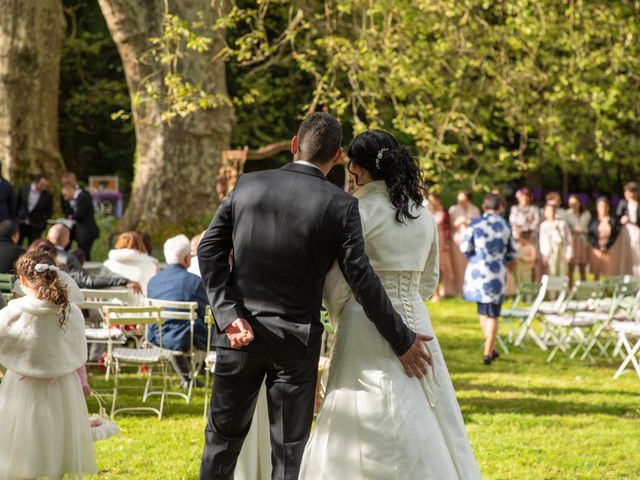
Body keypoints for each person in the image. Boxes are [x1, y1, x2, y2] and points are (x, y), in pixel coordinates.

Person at [198, 113, 432, 480]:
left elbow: (208, 251)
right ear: (338, 155)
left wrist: (229, 315)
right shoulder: (341, 205)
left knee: (222, 441)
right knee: (289, 452)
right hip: (296, 340)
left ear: (294, 144)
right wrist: (401, 339)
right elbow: (362, 279)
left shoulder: (247, 185)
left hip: (238, 335)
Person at [300, 130, 481, 479]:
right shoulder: (422, 214)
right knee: (425, 408)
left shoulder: (355, 211)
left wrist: (341, 311)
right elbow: (430, 280)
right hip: (416, 318)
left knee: (362, 405)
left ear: (358, 168)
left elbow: (339, 280)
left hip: (362, 318)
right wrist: (407, 296)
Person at [0, 250, 97, 479]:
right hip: (63, 387)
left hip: (22, 386)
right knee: (58, 441)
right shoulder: (71, 312)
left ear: (23, 280)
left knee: (22, 443)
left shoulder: (12, 312)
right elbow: (75, 348)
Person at [147, 234, 209, 388]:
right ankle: (197, 375)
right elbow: (207, 311)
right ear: (187, 258)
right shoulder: (194, 282)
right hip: (187, 338)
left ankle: (188, 379)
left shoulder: (153, 282)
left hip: (158, 337)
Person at [461, 193, 516, 365]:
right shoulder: (505, 225)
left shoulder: (476, 223)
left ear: (484, 207)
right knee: (493, 312)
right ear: (500, 207)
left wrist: (475, 257)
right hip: (496, 273)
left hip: (477, 272)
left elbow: (465, 247)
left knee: (483, 309)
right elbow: (512, 253)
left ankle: (488, 350)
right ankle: (489, 350)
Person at [47, 223, 142, 292]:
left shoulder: (37, 253)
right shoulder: (67, 259)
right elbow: (88, 281)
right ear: (67, 240)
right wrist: (123, 281)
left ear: (47, 237)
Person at [61, 173, 99, 260]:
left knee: (84, 253)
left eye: (66, 195)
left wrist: (71, 217)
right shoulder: (77, 197)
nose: (65, 198)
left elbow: (80, 214)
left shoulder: (83, 196)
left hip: (86, 231)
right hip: (79, 230)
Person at [449, 190, 480, 296]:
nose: (460, 202)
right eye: (459, 200)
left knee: (470, 265)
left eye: (463, 200)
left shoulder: (475, 209)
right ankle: (459, 290)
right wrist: (458, 222)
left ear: (468, 200)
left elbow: (478, 226)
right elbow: (449, 226)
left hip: (471, 241)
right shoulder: (453, 209)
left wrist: (469, 222)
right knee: (458, 265)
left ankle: (472, 289)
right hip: (457, 240)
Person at [426, 192, 456, 299]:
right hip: (431, 241)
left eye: (432, 199)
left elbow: (448, 228)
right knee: (433, 266)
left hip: (442, 240)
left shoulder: (444, 212)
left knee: (444, 267)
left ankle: (446, 290)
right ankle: (435, 293)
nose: (431, 202)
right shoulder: (428, 212)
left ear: (438, 199)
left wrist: (447, 242)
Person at [15, 173, 53, 245]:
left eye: (45, 186)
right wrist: (15, 219)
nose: (44, 187)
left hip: (36, 226)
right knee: (17, 244)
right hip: (21, 223)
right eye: (42, 185)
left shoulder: (48, 195)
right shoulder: (24, 189)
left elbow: (49, 212)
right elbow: (16, 205)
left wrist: (43, 226)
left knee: (33, 247)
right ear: (36, 181)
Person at [588, 197, 619, 280]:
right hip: (596, 249)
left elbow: (615, 235)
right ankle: (596, 290)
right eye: (601, 206)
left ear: (608, 207)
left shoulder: (612, 220)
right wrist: (598, 247)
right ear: (597, 208)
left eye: (605, 206)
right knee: (596, 272)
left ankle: (606, 291)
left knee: (608, 272)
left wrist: (606, 246)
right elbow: (590, 235)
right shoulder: (593, 220)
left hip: (609, 249)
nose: (603, 208)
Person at [539, 203, 573, 277]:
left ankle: (562, 288)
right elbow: (542, 241)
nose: (551, 213)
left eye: (552, 210)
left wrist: (568, 253)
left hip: (561, 250)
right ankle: (552, 288)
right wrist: (544, 255)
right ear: (545, 213)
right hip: (550, 253)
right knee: (552, 271)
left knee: (562, 271)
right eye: (549, 211)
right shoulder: (544, 225)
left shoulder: (562, 224)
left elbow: (568, 239)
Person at [565, 194, 591, 283]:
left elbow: (589, 227)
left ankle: (584, 288)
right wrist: (573, 230)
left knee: (582, 267)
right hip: (572, 242)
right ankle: (569, 288)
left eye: (575, 203)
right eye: (571, 203)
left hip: (583, 242)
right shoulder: (567, 214)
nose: (573, 205)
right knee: (570, 267)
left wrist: (582, 230)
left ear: (579, 203)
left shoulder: (586, 214)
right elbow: (566, 228)